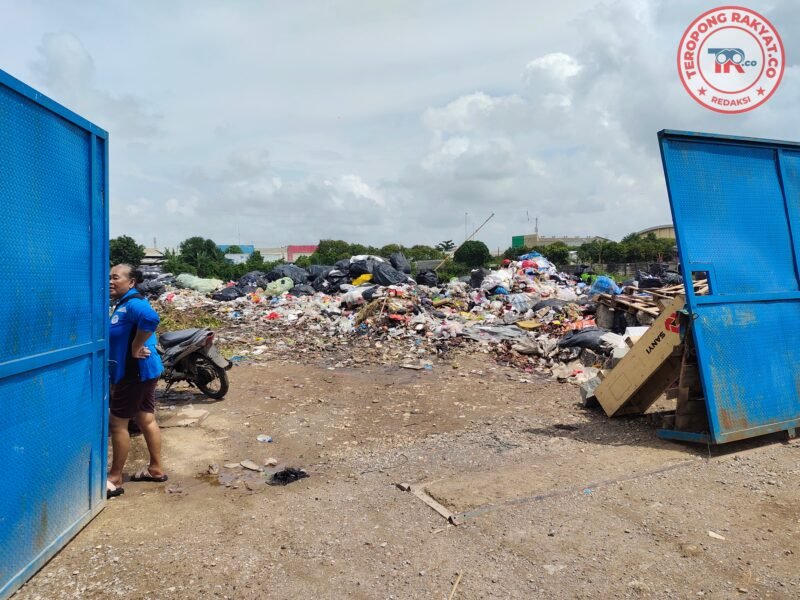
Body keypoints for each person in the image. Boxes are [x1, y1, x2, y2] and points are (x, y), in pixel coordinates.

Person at [107, 264, 168, 498]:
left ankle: (114, 477)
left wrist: (135, 346)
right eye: (109, 278)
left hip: (134, 374)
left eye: (116, 278)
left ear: (131, 282)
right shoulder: (123, 304)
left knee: (117, 424)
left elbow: (151, 318)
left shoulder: (133, 303)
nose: (111, 282)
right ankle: (155, 469)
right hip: (146, 372)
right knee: (145, 418)